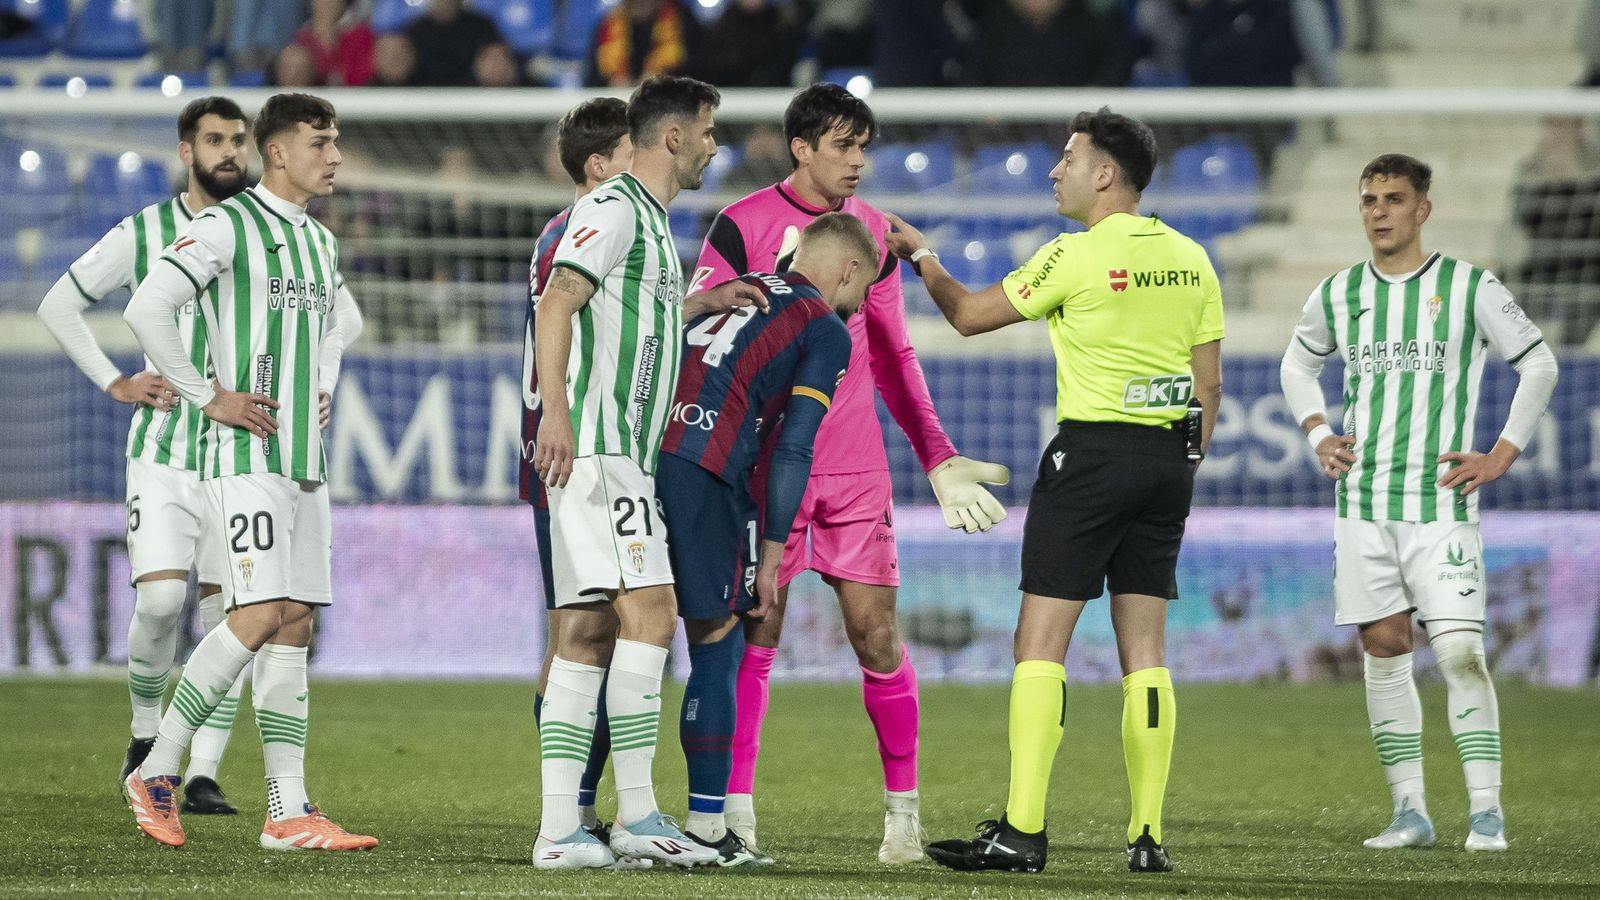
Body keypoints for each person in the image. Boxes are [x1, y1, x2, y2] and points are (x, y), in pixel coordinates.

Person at [888, 107, 1225, 874]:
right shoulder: (1194, 259)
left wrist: (924, 256)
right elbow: (1211, 387)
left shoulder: (1075, 254)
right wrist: (1176, 465)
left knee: (1039, 645)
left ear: (1105, 173)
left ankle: (1024, 831)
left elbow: (971, 316)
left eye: (1067, 157)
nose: (1053, 169)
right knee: (1146, 651)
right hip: (1170, 459)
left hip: (1092, 456)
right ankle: (1146, 838)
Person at [693, 82, 1011, 865]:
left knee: (875, 634)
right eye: (844, 144)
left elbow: (894, 355)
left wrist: (935, 456)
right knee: (757, 636)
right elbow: (701, 318)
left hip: (855, 471)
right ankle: (738, 816)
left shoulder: (873, 233)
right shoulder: (741, 224)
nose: (860, 161)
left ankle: (902, 817)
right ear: (801, 147)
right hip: (769, 464)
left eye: (864, 145)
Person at [1278, 153, 1558, 853]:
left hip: (1440, 507)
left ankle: (1487, 811)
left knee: (1461, 650)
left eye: (1393, 198)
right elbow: (1297, 362)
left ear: (1422, 209)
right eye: (1369, 198)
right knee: (1383, 647)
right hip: (1363, 503)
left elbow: (1539, 362)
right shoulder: (1340, 292)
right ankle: (1411, 811)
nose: (1378, 210)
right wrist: (1318, 431)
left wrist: (1502, 452)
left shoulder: (1469, 287)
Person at [120, 92, 371, 853]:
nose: (334, 156)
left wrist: (321, 377)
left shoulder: (319, 243)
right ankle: (157, 765)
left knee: (295, 620)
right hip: (245, 452)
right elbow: (147, 309)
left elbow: (336, 323)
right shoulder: (226, 225)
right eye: (320, 143)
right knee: (258, 612)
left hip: (301, 457)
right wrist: (208, 397)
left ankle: (288, 811)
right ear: (279, 154)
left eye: (336, 143)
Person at [530, 75, 739, 870]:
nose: (715, 146)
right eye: (708, 131)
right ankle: (641, 815)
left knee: (586, 634)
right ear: (675, 137)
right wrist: (556, 413)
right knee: (653, 614)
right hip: (600, 449)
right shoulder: (614, 208)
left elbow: (630, 317)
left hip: (620, 456)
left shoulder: (649, 223)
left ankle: (560, 834)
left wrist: (703, 304)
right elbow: (559, 302)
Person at [37, 97, 254, 818]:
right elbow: (59, 306)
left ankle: (200, 773)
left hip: (241, 453)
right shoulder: (144, 233)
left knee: (231, 618)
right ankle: (143, 736)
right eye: (215, 140)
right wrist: (116, 381)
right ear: (187, 152)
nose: (230, 151)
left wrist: (316, 383)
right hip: (163, 452)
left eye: (239, 140)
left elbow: (330, 312)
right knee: (162, 602)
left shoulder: (267, 231)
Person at [663, 213, 870, 866]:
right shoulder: (824, 328)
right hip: (705, 464)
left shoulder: (739, 288)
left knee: (620, 643)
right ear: (847, 270)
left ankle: (589, 814)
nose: (860, 303)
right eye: (862, 290)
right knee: (717, 644)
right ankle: (705, 829)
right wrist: (773, 559)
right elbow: (795, 449)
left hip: (640, 453)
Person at [523, 96, 634, 850]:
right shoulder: (587, 227)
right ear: (601, 166)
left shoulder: (564, 232)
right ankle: (572, 813)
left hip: (569, 445)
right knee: (585, 631)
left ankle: (578, 810)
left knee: (584, 631)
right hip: (573, 448)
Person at [274, 0, 376, 88]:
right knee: (294, 58)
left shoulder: (360, 34)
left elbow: (359, 79)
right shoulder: (303, 36)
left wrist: (331, 41)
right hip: (310, 99)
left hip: (349, 101)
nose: (325, 3)